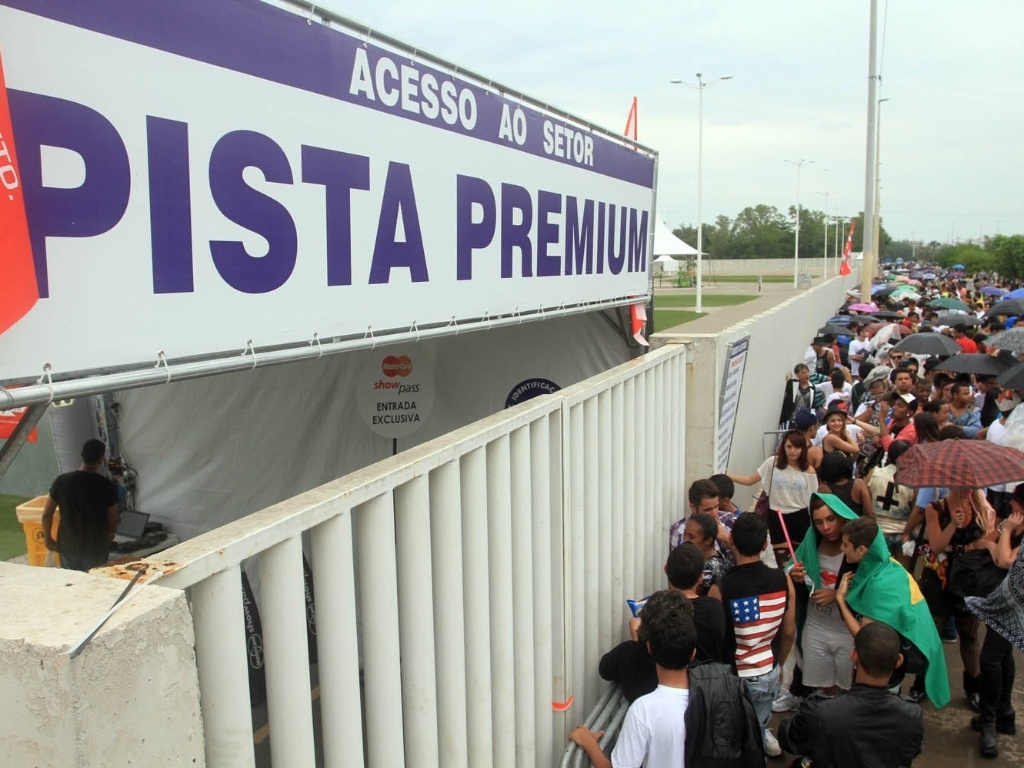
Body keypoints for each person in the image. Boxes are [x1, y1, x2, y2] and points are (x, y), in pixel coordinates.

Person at [574, 590, 763, 768]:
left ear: (649, 648)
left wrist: (589, 743)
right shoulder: (719, 690)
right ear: (693, 653)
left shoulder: (643, 710)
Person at [833, 516, 951, 708]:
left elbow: (865, 637)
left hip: (883, 670)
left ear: (862, 550)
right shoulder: (891, 567)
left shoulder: (878, 585)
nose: (842, 549)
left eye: (846, 544)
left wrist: (840, 600)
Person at [777, 622, 924, 768]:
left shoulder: (821, 711)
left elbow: (787, 739)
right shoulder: (911, 714)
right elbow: (912, 750)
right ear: (898, 660)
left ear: (854, 656)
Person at [599, 544, 727, 703]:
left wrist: (639, 639)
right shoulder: (714, 609)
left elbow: (605, 669)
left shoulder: (635, 653)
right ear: (701, 577)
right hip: (710, 695)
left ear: (666, 569)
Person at [719, 513, 797, 757]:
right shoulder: (783, 580)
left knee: (730, 738)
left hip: (733, 676)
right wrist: (780, 664)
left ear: (730, 540)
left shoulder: (722, 586)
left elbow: (718, 634)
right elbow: (788, 633)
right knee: (758, 730)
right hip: (768, 671)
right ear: (765, 544)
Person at [919, 487, 995, 709]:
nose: (967, 486)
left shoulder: (982, 508)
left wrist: (972, 545)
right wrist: (952, 524)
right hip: (939, 579)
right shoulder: (936, 508)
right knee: (934, 635)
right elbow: (936, 545)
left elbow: (986, 543)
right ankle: (922, 684)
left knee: (970, 636)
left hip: (968, 581)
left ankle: (973, 687)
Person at [966, 488, 1024, 758]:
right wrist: (997, 539)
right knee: (1001, 656)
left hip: (1016, 608)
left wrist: (1008, 532)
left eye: (1014, 505)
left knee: (990, 659)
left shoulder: (1013, 529)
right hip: (1003, 603)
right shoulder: (1009, 527)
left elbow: (1003, 560)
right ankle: (1004, 712)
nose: (1009, 508)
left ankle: (989, 722)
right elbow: (980, 544)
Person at [789, 494, 859, 695]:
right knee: (822, 687)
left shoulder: (857, 546)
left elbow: (870, 584)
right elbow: (791, 567)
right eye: (818, 522)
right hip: (816, 627)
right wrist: (794, 574)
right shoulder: (811, 542)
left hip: (848, 631)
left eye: (831, 519)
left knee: (849, 686)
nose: (825, 527)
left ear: (842, 517)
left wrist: (837, 594)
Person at [727, 430, 818, 560]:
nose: (793, 451)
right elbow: (749, 480)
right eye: (789, 446)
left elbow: (813, 500)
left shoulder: (809, 471)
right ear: (783, 447)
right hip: (777, 516)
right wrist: (726, 475)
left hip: (800, 517)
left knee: (800, 559)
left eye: (797, 447)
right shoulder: (772, 463)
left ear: (803, 449)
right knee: (782, 560)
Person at [42, 439, 120, 572]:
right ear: (102, 459)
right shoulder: (107, 486)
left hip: (68, 546)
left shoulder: (62, 481)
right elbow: (112, 519)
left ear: (81, 454)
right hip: (96, 547)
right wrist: (110, 533)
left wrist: (48, 538)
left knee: (73, 585)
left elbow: (46, 514)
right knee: (94, 585)